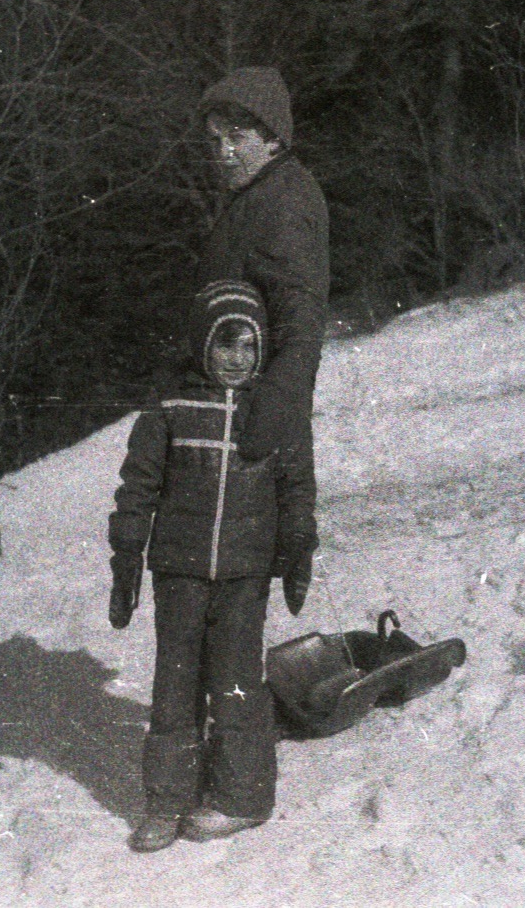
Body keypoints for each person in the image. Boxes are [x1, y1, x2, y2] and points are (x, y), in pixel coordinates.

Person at [108, 280, 315, 852]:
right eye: (225, 345)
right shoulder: (172, 404)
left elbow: (297, 486)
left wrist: (299, 545)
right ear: (203, 344)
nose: (236, 359)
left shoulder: (273, 409)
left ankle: (243, 796)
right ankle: (167, 801)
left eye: (248, 347)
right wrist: (127, 556)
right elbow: (138, 484)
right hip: (179, 570)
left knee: (237, 682)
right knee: (175, 685)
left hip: (245, 574)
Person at [194, 66, 330, 630]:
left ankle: (236, 702)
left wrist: (263, 429)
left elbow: (299, 329)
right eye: (215, 141)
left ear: (273, 138)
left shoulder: (284, 200)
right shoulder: (254, 197)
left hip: (257, 418)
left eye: (237, 139)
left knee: (237, 579)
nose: (223, 154)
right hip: (236, 402)